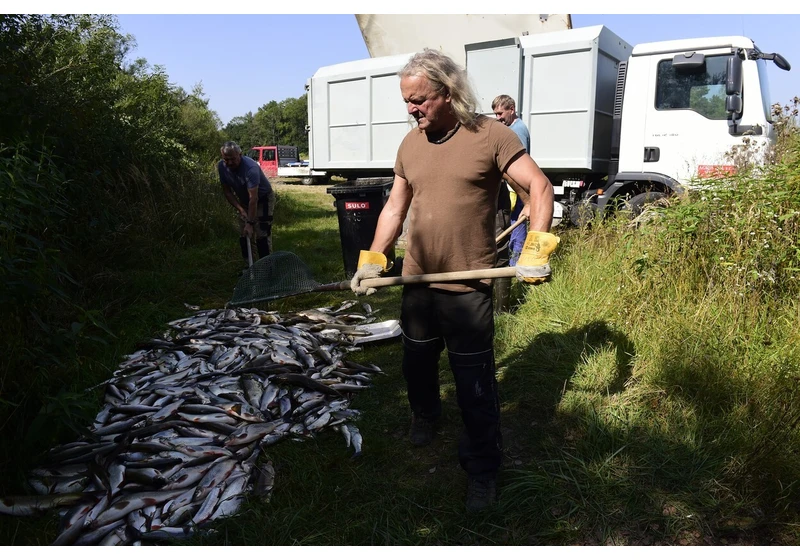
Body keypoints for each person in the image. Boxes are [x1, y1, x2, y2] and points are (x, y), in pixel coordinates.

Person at [350, 49, 556, 512]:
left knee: (474, 384)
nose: (411, 109)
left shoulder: (491, 136)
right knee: (416, 365)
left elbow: (539, 188)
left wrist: (537, 250)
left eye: (419, 100)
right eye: (406, 101)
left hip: (468, 287)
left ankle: (482, 468)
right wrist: (373, 259)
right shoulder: (410, 145)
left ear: (447, 93)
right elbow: (394, 208)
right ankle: (425, 415)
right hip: (416, 282)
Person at [492, 94, 532, 313]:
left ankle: (517, 271)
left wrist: (523, 195)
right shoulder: (512, 127)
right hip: (511, 190)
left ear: (512, 109)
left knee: (514, 234)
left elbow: (516, 167)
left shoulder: (516, 131)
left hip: (514, 190)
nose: (498, 118)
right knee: (512, 233)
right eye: (495, 114)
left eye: (500, 113)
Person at [217, 141, 277, 269]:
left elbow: (254, 198)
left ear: (240, 155)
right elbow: (227, 192)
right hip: (245, 201)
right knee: (245, 235)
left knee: (261, 234)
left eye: (233, 159)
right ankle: (251, 268)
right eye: (226, 159)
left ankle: (267, 269)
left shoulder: (250, 168)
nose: (230, 163)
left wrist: (250, 223)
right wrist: (240, 209)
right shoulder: (221, 167)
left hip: (263, 199)